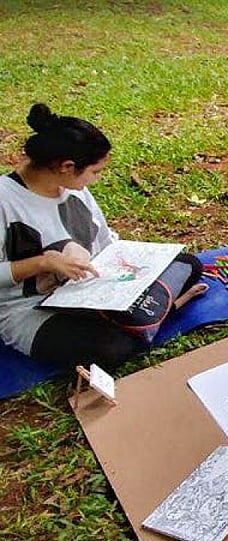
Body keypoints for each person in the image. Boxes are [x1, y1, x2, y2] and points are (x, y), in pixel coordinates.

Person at [0, 103, 205, 370]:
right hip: (33, 308)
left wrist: (132, 264)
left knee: (188, 264)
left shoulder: (72, 187)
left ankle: (143, 320)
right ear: (66, 166)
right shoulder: (6, 201)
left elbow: (104, 241)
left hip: (94, 288)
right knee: (111, 350)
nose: (96, 180)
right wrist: (44, 263)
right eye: (95, 172)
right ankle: (160, 313)